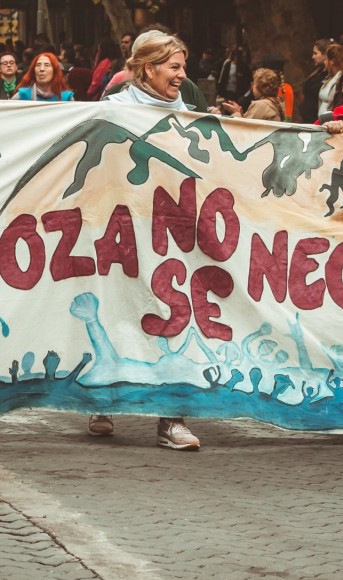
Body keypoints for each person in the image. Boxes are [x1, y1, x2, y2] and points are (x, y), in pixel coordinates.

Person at [94, 29, 206, 450]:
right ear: (148, 68)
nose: (181, 75)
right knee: (118, 310)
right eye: (174, 67)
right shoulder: (113, 110)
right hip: (120, 227)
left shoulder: (193, 114)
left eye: (183, 67)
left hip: (170, 232)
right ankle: (101, 398)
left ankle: (170, 419)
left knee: (173, 314)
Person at [298, 39, 330, 124]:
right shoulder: (317, 73)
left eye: (316, 53)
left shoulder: (331, 76)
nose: (313, 57)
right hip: (307, 121)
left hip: (317, 122)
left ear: (325, 55)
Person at [316, 42, 343, 115]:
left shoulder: (342, 79)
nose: (325, 62)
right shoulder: (330, 78)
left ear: (332, 61)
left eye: (326, 59)